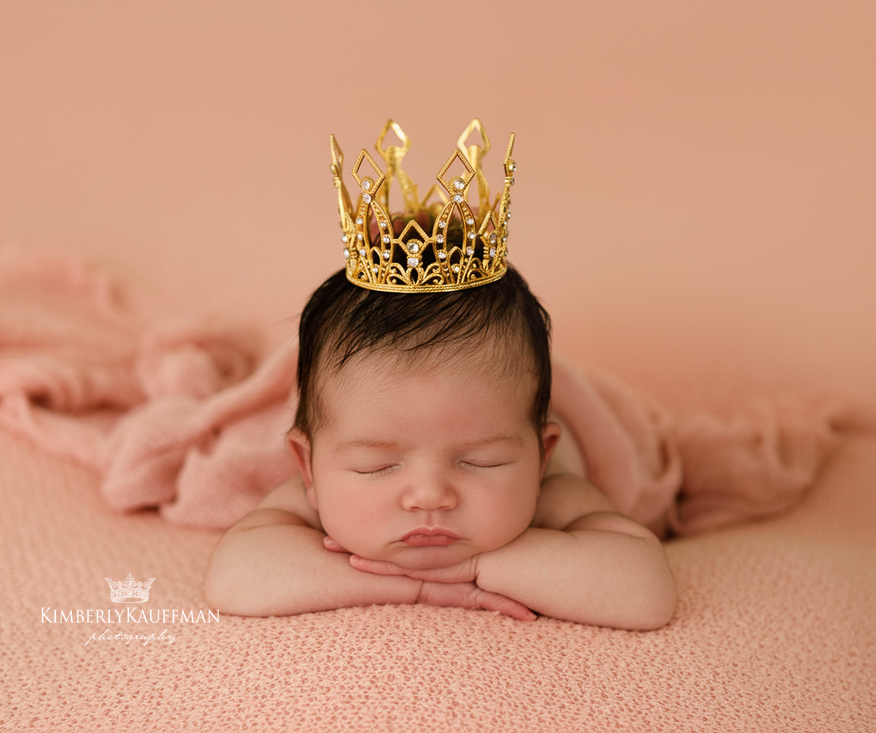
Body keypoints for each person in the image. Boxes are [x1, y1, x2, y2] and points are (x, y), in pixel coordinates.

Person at [203, 121, 677, 629]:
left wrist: (481, 566)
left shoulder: (552, 494)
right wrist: (419, 586)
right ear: (306, 467)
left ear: (541, 458)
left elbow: (645, 594)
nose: (430, 495)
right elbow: (235, 578)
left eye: (482, 462)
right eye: (376, 467)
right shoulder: (319, 483)